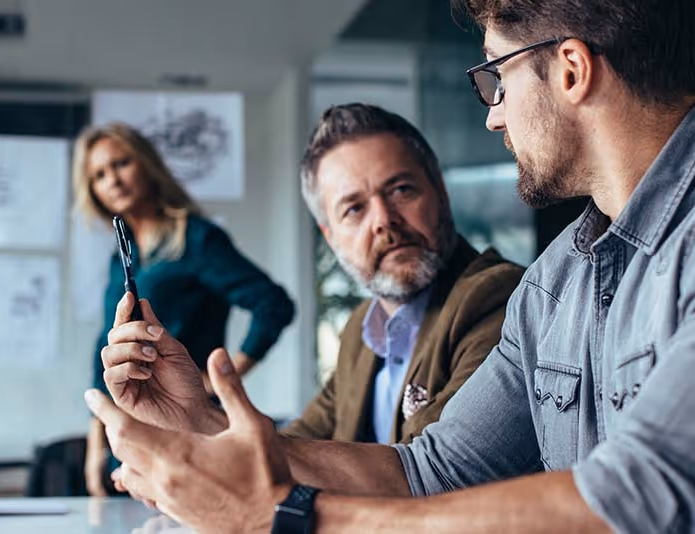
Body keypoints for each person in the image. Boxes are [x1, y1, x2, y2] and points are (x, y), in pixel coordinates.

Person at [86, 0, 695, 530]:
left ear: (570, 69)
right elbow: (434, 469)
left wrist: (282, 517)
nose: (494, 114)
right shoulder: (556, 284)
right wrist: (200, 420)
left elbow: (644, 499)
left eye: (497, 80)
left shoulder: (524, 289)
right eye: (352, 208)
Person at [71, 123, 295, 496]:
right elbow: (106, 348)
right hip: (124, 437)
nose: (112, 180)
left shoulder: (197, 239)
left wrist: (222, 379)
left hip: (182, 428)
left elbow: (273, 304)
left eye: (121, 163)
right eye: (98, 175)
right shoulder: (120, 259)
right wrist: (97, 442)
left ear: (146, 164)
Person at [279, 104, 523, 445]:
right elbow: (297, 445)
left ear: (440, 190)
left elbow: (431, 467)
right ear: (330, 236)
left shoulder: (498, 298)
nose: (383, 220)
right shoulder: (361, 330)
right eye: (354, 208)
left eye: (401, 190)